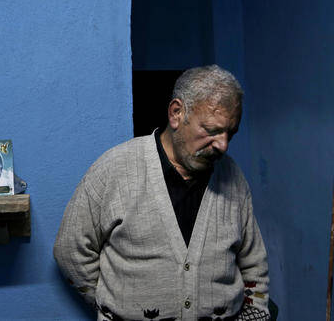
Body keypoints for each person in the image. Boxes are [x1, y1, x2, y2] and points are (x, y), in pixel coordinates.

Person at [54, 65, 270, 320]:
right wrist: (112, 302)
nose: (222, 146)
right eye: (211, 131)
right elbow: (70, 250)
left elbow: (254, 262)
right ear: (176, 113)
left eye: (229, 134)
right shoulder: (115, 169)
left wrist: (255, 313)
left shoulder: (232, 177)